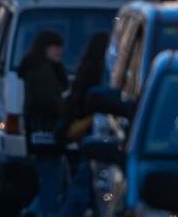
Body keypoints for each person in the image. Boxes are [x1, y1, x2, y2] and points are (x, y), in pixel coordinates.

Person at [56, 32, 110, 217]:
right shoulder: (104, 74)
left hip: (86, 134)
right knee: (86, 186)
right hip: (97, 133)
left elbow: (74, 100)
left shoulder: (85, 71)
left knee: (84, 185)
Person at [18, 30, 69, 217]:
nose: (59, 53)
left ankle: (34, 210)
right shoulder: (43, 71)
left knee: (50, 177)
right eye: (55, 48)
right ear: (45, 48)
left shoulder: (37, 68)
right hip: (47, 130)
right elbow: (50, 102)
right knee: (52, 178)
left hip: (38, 131)